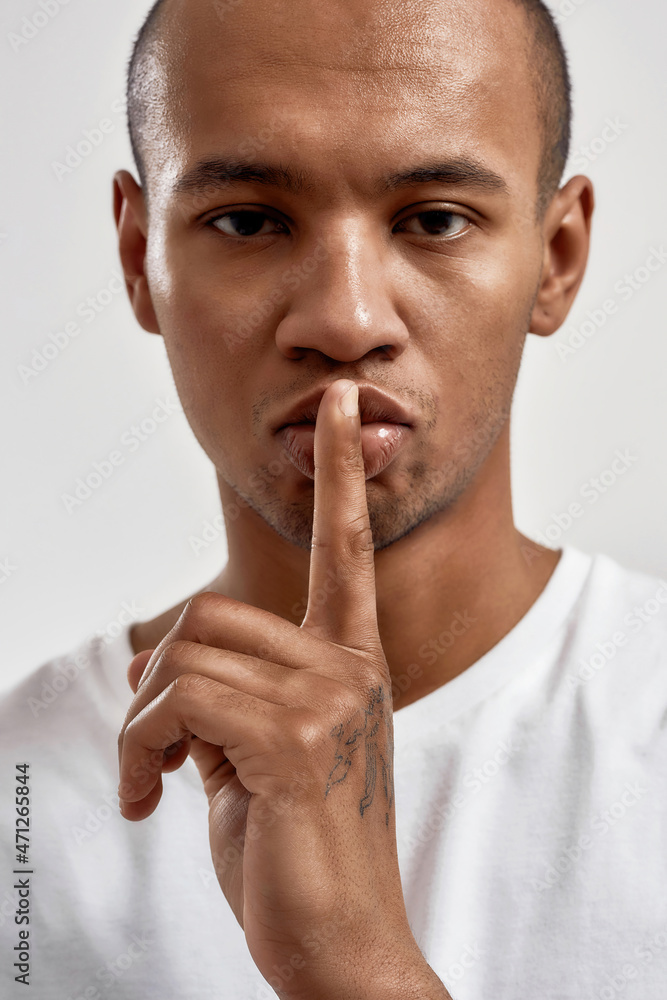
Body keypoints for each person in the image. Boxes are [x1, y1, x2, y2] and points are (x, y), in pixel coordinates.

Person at [2, 0, 666, 997]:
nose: (344, 319)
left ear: (557, 257)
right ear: (141, 254)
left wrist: (354, 964)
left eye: (434, 219)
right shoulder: (23, 803)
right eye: (248, 220)